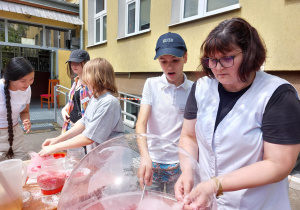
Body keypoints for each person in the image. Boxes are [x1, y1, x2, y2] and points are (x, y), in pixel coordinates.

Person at [174, 17, 300, 209]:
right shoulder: (201, 88)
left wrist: (215, 185)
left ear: (250, 55)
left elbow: (278, 164)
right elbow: (189, 136)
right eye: (211, 60)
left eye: (226, 58)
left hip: (256, 204)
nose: (217, 68)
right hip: (208, 202)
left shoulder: (277, 95)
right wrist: (188, 171)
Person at [136, 32, 193, 194]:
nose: (169, 67)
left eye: (175, 60)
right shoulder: (151, 85)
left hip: (180, 164)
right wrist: (144, 156)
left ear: (185, 57)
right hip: (152, 162)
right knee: (151, 204)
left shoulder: (194, 89)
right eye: (163, 61)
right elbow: (141, 123)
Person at [38, 58, 124, 156]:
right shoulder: (95, 98)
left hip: (111, 159)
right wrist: (57, 139)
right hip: (100, 156)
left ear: (97, 77)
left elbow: (89, 138)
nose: (83, 80)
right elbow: (83, 123)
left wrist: (55, 147)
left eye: (86, 75)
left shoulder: (108, 102)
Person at [0, 57, 34, 161]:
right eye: (23, 80)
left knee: (22, 166)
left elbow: (25, 111)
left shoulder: (27, 89)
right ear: (10, 78)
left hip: (16, 134)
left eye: (31, 79)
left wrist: (26, 120)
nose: (28, 84)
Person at [61, 49, 92, 133]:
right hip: (70, 125)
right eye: (72, 63)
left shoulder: (92, 83)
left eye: (77, 63)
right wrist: (63, 110)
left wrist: (81, 123)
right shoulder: (75, 82)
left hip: (83, 129)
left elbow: (94, 108)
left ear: (86, 63)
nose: (74, 65)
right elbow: (73, 102)